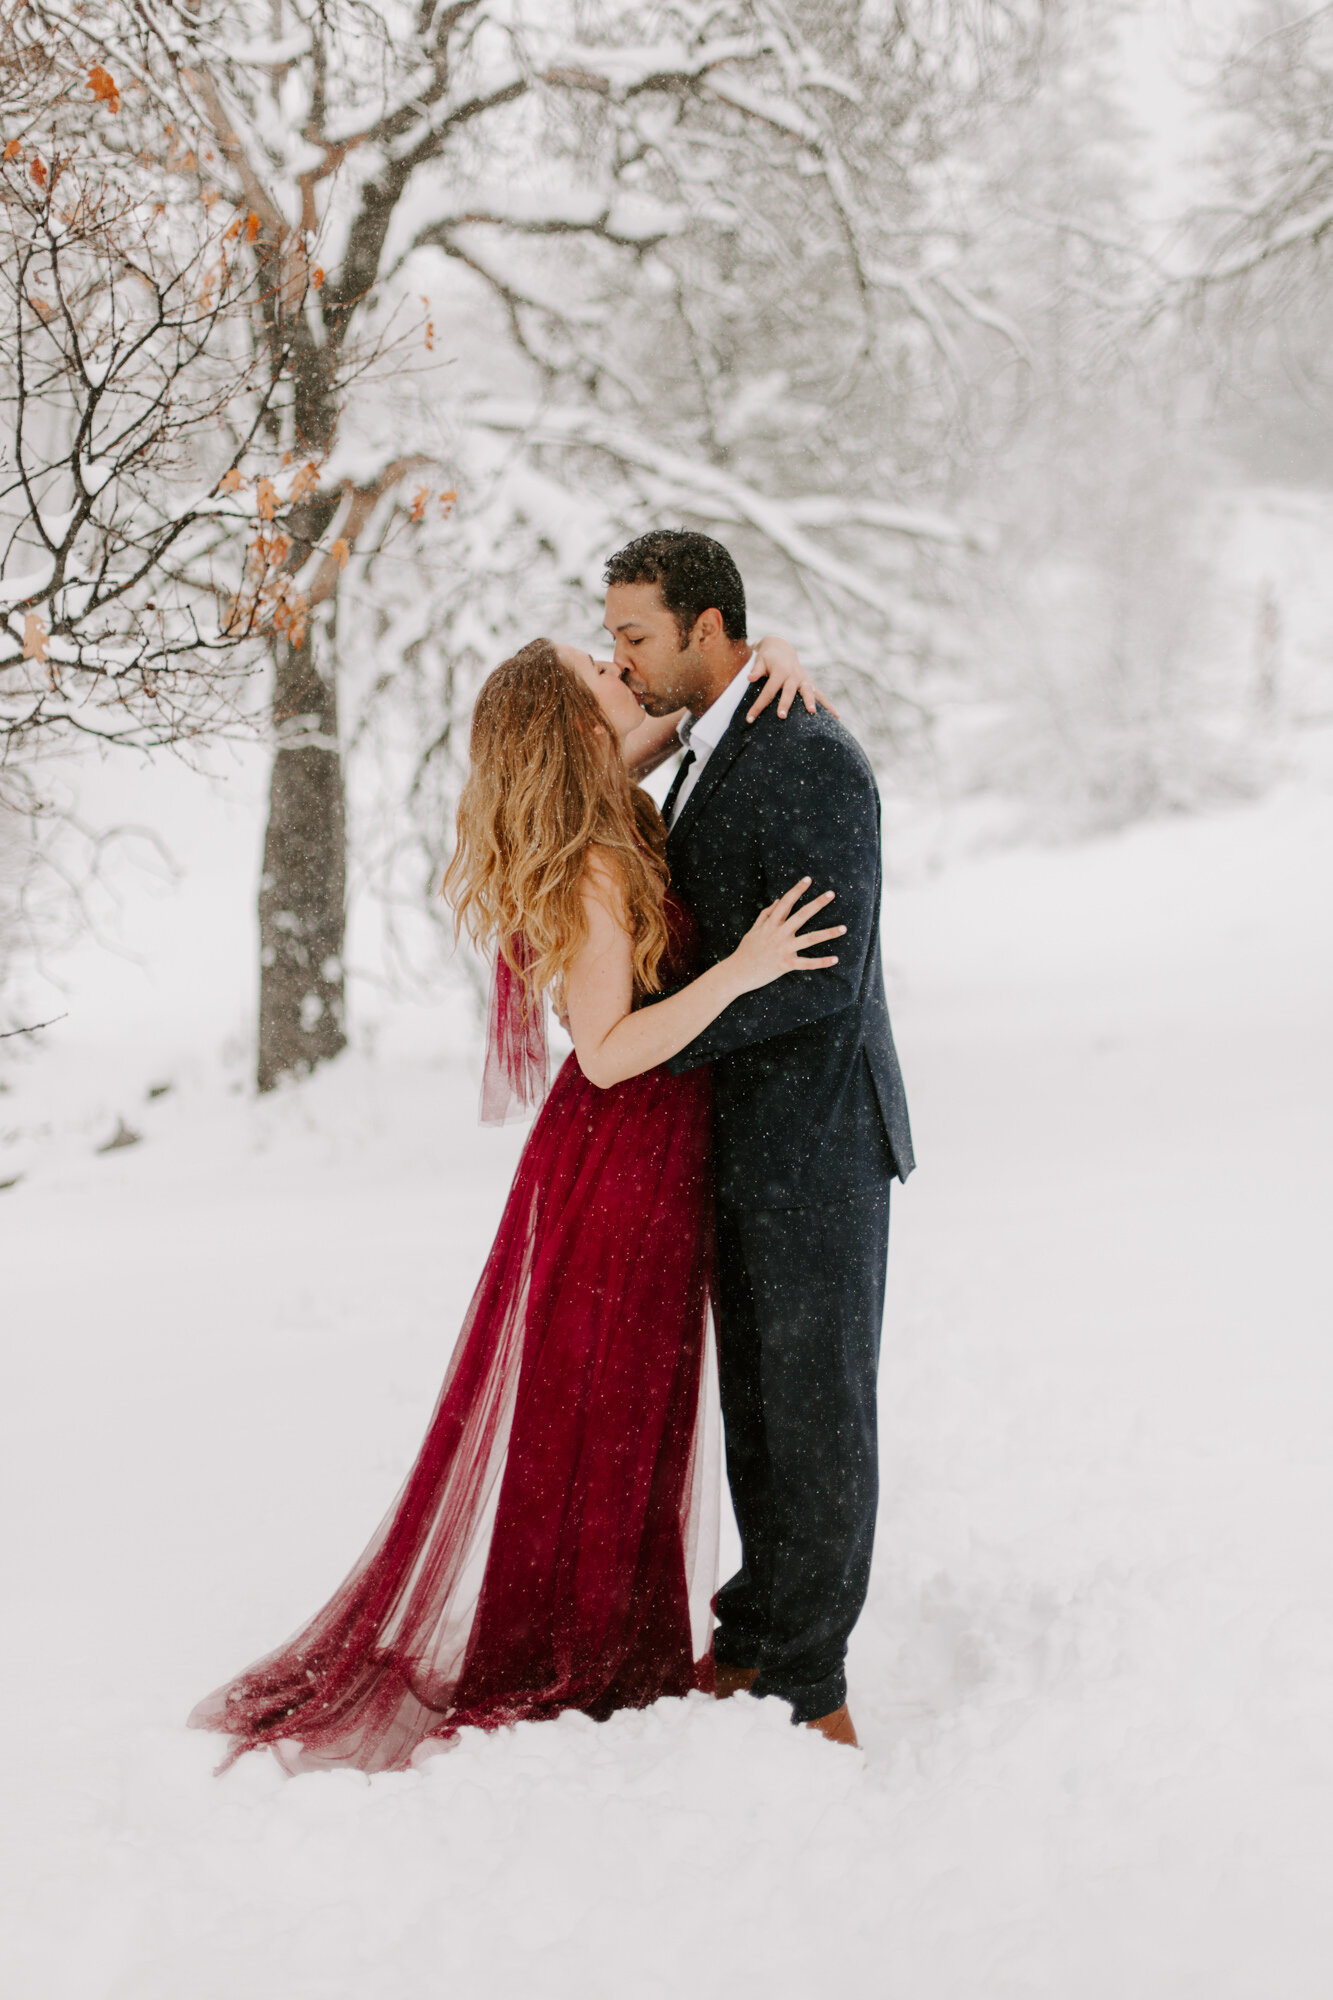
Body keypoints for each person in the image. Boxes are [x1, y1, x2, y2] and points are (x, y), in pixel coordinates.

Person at [188, 636, 839, 1774]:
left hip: (648, 1155)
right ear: (576, 720)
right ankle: (576, 1656)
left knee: (634, 1400)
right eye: (600, 669)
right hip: (619, 1157)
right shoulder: (591, 850)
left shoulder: (609, 795)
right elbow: (607, 1047)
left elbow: (693, 717)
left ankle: (618, 1644)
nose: (618, 670)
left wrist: (762, 655)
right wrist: (743, 969)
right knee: (600, 1400)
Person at [605, 530, 915, 1748]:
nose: (622, 657)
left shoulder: (809, 752)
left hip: (819, 1144)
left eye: (637, 634)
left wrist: (642, 1040)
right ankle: (754, 1628)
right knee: (761, 1409)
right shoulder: (711, 736)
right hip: (739, 1144)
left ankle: (813, 1678)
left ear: (709, 626)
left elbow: (821, 976)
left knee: (818, 1413)